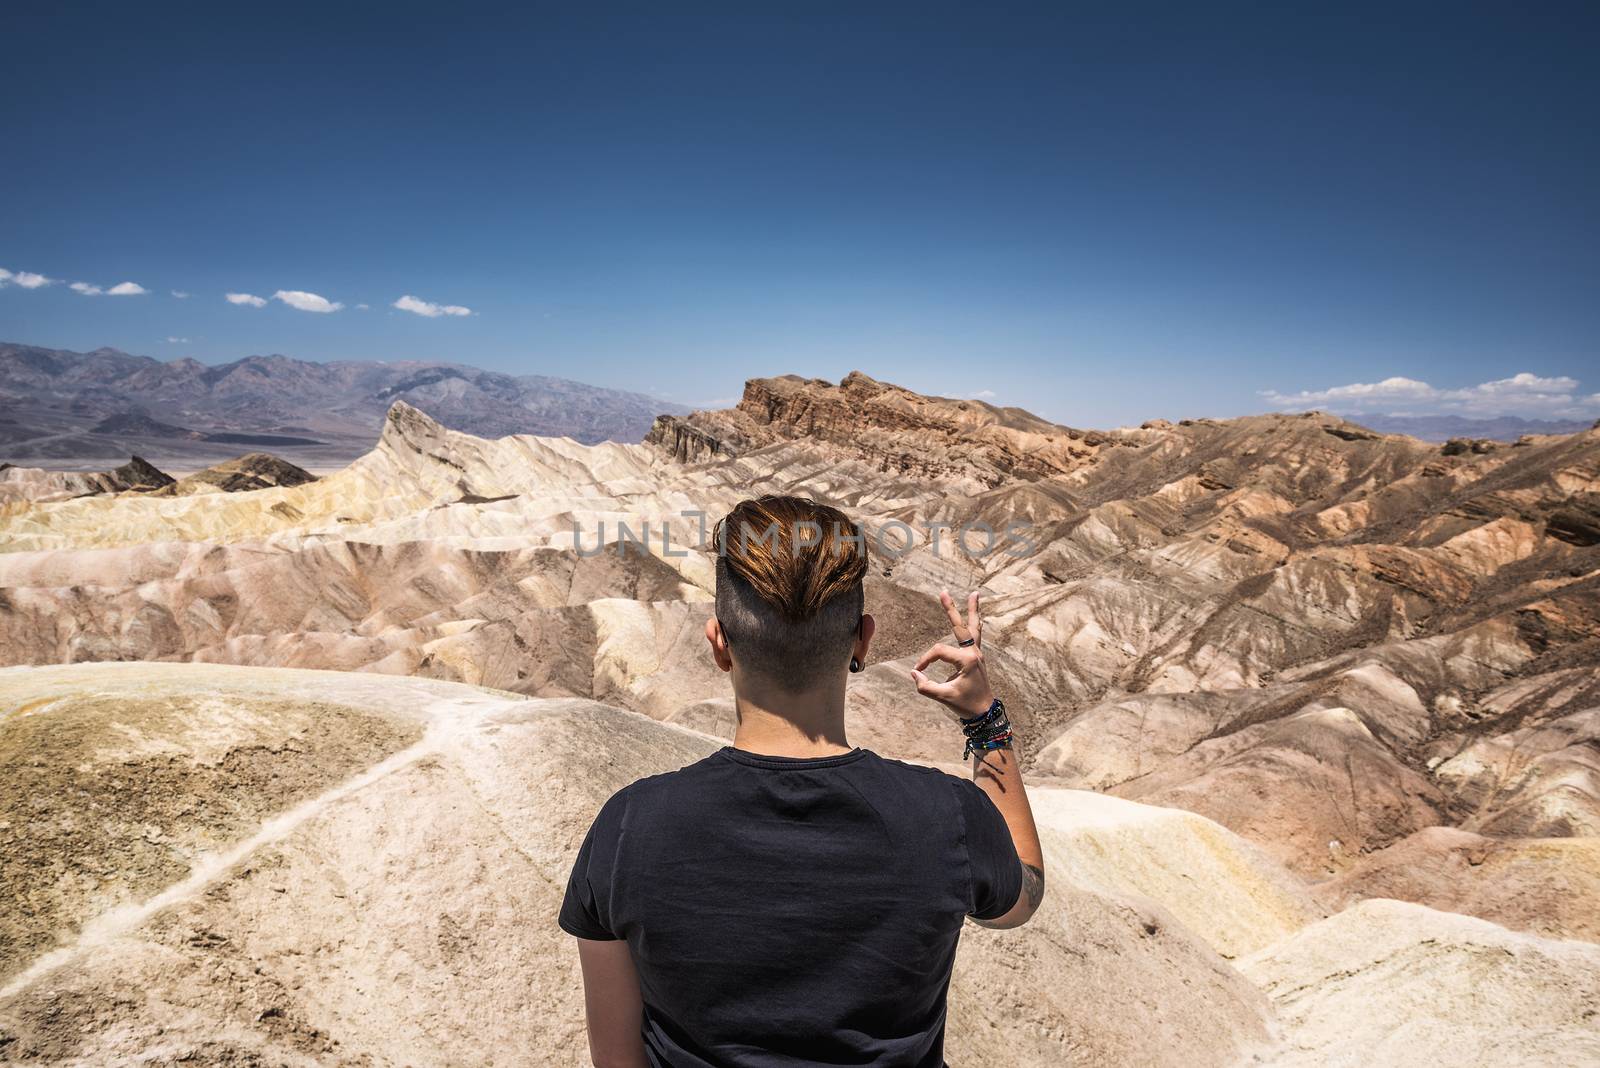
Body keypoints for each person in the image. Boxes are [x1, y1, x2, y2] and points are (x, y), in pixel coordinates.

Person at [559, 495, 1046, 1068]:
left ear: (719, 644)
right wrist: (987, 724)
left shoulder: (630, 824)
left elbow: (617, 1059)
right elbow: (1022, 898)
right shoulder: (947, 816)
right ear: (863, 641)